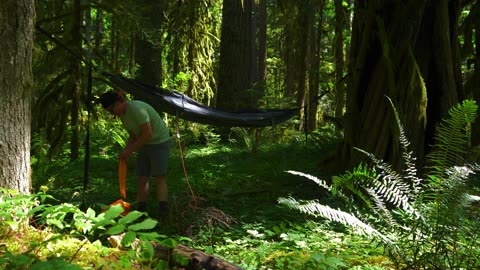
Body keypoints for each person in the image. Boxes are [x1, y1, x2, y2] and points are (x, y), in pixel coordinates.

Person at [99, 90, 171, 221]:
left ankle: (163, 211)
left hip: (159, 141)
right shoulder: (123, 115)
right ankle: (141, 209)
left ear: (117, 103)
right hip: (145, 143)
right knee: (142, 176)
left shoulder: (137, 109)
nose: (112, 114)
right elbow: (133, 136)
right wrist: (125, 151)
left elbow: (147, 133)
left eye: (111, 110)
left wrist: (130, 150)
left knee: (159, 176)